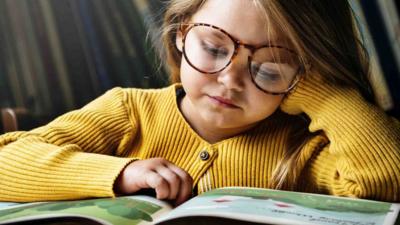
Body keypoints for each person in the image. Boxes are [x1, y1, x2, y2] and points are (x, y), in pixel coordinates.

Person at [1, 0, 399, 205]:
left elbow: (385, 182)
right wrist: (121, 174)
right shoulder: (128, 111)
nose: (230, 80)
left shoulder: (302, 148)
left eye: (270, 70)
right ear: (180, 33)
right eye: (212, 48)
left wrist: (323, 92)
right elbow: (7, 162)